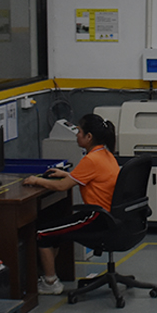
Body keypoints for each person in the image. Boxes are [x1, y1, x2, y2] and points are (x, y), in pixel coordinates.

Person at [23, 113, 121, 296]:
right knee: (55, 229)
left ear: (89, 137)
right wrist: (68, 175)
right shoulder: (105, 154)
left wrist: (36, 181)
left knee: (43, 233)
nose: (77, 135)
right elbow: (90, 178)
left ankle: (51, 282)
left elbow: (62, 187)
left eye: (79, 131)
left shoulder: (91, 159)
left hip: (95, 217)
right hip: (108, 215)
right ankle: (50, 274)